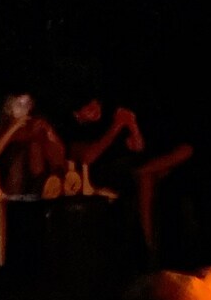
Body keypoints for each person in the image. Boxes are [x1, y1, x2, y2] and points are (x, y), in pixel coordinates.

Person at [63, 95, 192, 262]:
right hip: (107, 173)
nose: (94, 107)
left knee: (186, 149)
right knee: (145, 178)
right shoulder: (79, 134)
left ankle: (151, 171)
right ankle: (149, 248)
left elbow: (138, 147)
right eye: (87, 107)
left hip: (134, 164)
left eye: (95, 103)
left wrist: (132, 126)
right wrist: (116, 126)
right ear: (77, 114)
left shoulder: (107, 122)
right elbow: (88, 157)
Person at [0, 94, 67, 196]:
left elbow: (60, 156)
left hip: (39, 189)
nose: (24, 109)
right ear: (9, 109)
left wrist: (49, 132)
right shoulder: (2, 129)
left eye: (27, 104)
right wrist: (13, 129)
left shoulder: (36, 126)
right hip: (10, 190)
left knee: (36, 145)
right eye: (19, 104)